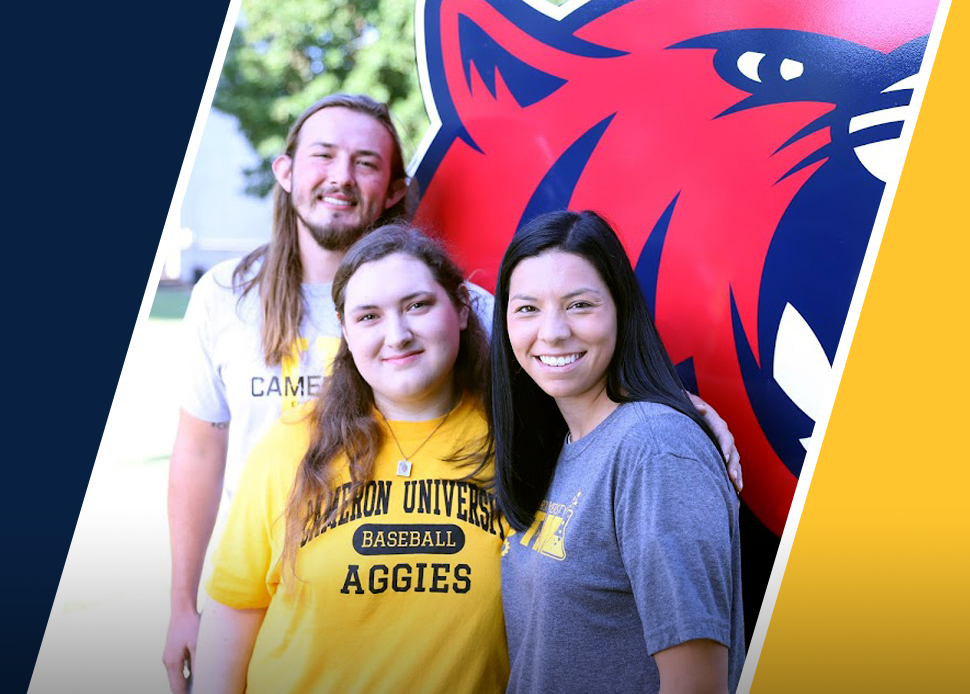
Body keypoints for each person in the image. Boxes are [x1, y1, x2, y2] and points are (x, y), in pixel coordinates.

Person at [165, 94, 496, 691]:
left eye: (365, 163)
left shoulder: (459, 307)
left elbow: (565, 373)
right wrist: (184, 603)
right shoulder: (224, 295)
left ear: (394, 189)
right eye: (323, 155)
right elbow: (198, 450)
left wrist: (679, 407)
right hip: (269, 588)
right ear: (286, 171)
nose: (341, 176)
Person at [192, 225, 507, 693]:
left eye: (417, 305)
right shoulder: (291, 446)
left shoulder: (515, 446)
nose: (397, 335)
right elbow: (233, 615)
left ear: (461, 307)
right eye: (368, 317)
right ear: (344, 329)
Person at [493, 210, 745, 694]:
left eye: (580, 305)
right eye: (527, 309)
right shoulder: (564, 445)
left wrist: (669, 416)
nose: (552, 332)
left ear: (621, 309)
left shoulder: (655, 451)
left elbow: (696, 684)